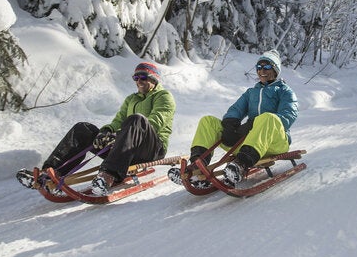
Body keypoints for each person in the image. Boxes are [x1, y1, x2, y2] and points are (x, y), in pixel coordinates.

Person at [16, 62, 175, 194]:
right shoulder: (131, 99)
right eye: (136, 77)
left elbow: (156, 121)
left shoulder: (163, 96)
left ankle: (108, 176)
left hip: (151, 149)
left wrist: (120, 134)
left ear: (153, 79)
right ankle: (50, 172)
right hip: (125, 148)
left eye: (143, 77)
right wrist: (106, 131)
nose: (139, 81)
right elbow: (118, 121)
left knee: (137, 119)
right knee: (82, 129)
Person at [179, 50, 298, 186]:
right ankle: (197, 164)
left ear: (275, 70)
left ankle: (240, 165)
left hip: (275, 142)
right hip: (250, 142)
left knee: (268, 118)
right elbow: (236, 109)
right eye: (259, 67)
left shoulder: (285, 91)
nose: (261, 71)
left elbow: (288, 116)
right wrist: (230, 124)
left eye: (266, 67)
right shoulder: (251, 92)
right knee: (208, 121)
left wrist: (256, 124)